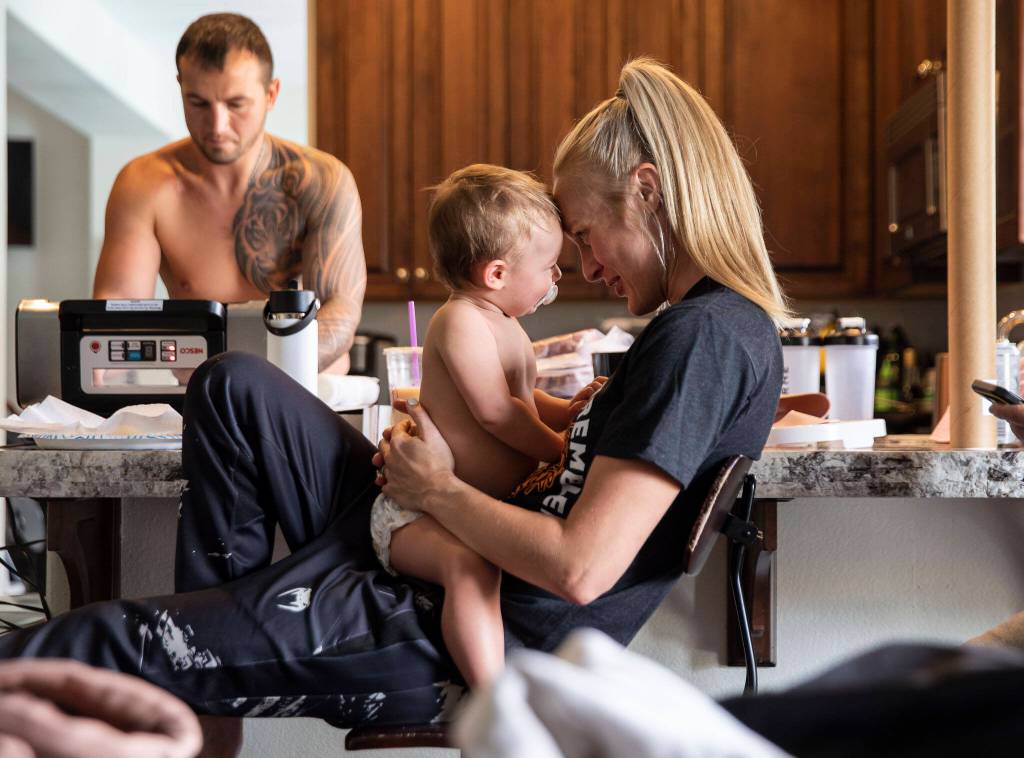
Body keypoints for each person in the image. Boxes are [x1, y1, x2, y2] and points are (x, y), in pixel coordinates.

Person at [0, 57, 785, 754]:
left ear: (645, 190)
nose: (583, 264)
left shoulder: (704, 338)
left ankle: (215, 665)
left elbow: (579, 569)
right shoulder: (699, 329)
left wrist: (435, 489)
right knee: (232, 382)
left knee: (100, 640)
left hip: (448, 616)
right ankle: (219, 686)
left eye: (583, 234)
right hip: (433, 543)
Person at [372, 164, 603, 689]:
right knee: (473, 569)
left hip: (462, 506)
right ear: (496, 274)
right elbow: (497, 412)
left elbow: (523, 396)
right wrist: (562, 449)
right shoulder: (460, 322)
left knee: (489, 564)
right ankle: (492, 700)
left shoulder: (506, 323)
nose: (557, 277)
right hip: (415, 514)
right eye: (548, 266)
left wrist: (563, 410)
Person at [93, 13, 366, 373]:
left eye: (236, 104)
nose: (217, 126)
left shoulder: (321, 182)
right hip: (199, 396)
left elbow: (339, 312)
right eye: (198, 103)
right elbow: (117, 319)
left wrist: (248, 383)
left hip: (304, 392)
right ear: (180, 87)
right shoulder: (143, 185)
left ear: (271, 94)